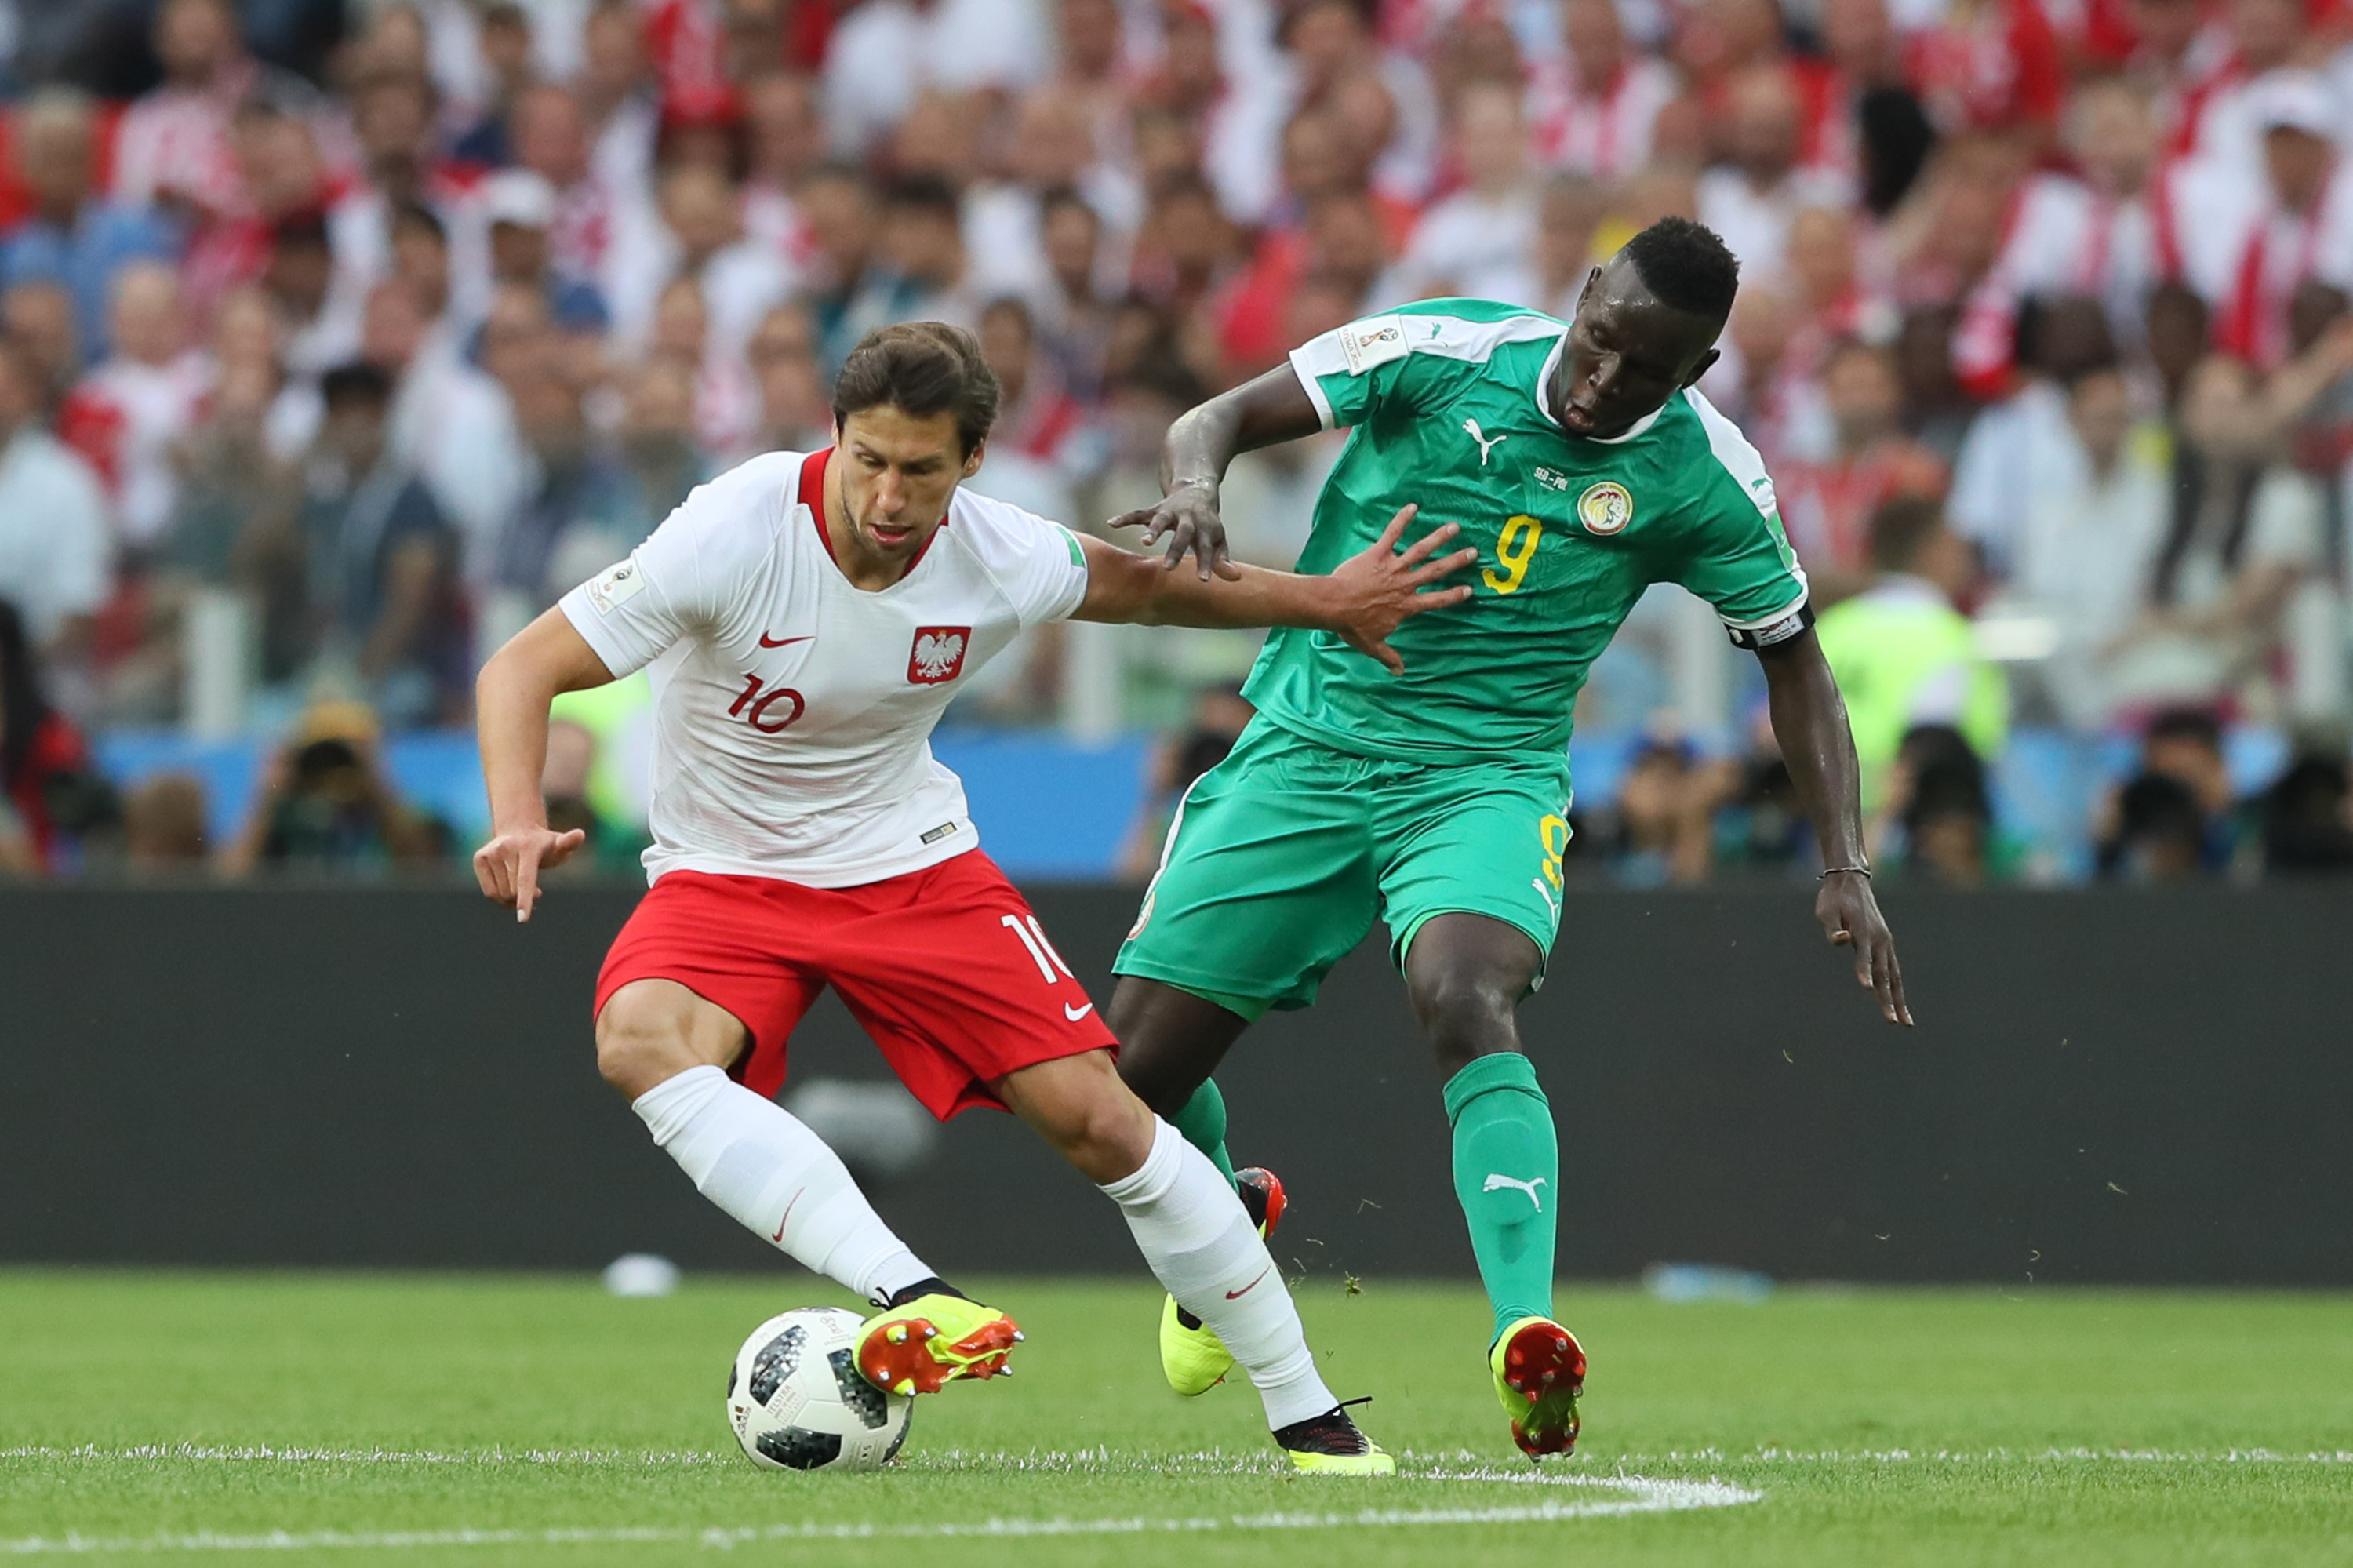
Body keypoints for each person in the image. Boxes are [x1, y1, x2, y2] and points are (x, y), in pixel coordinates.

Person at [469, 322, 1482, 1474]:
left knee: (1107, 1124)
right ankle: (913, 1295)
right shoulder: (735, 526)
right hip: (726, 874)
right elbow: (522, 666)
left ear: (973, 462)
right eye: (868, 460)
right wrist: (515, 815)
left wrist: (1326, 600)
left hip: (911, 868)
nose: (887, 497)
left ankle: (1311, 1418)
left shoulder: (1001, 552)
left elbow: (1151, 589)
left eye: (921, 469)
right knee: (640, 1040)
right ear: (835, 437)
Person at [1102, 217, 1910, 1460]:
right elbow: (1216, 418)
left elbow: (1794, 656)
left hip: (1483, 779)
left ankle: (1525, 1334)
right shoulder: (1440, 350)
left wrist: (1845, 860)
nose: (1604, 381)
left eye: (1646, 371)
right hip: (1307, 746)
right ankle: (1228, 1215)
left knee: (1465, 991)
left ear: (1695, 372)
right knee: (1130, 1082)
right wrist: (1198, 487)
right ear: (1583, 295)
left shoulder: (1703, 473)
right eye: (1600, 342)